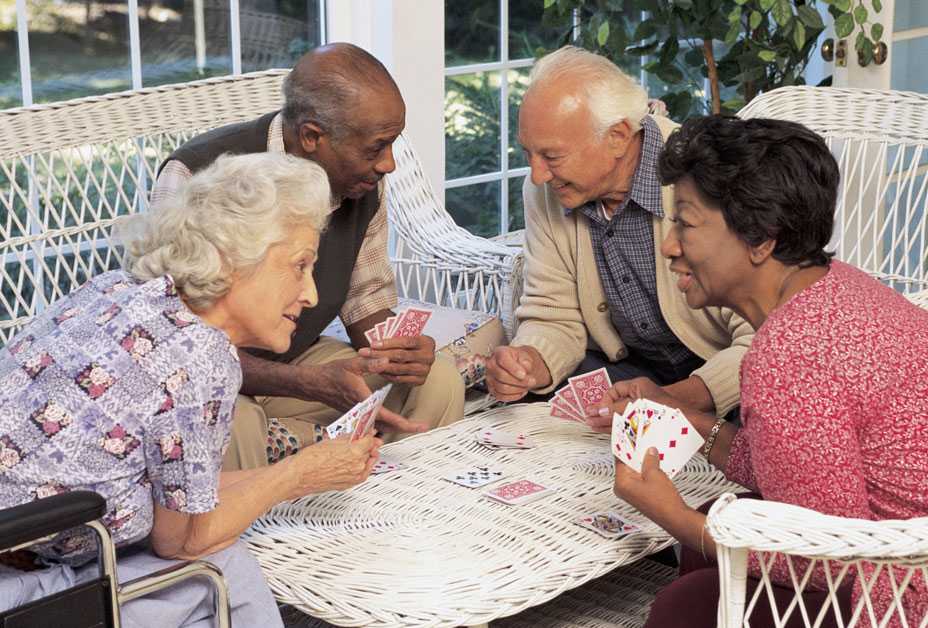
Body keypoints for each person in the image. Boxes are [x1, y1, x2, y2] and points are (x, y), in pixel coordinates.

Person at [0, 153, 382, 626]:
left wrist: (314, 466)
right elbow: (181, 538)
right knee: (225, 565)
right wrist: (298, 476)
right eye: (299, 266)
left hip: (26, 544)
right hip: (24, 588)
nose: (311, 294)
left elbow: (182, 494)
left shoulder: (118, 290)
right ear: (233, 258)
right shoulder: (200, 355)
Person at [600, 115, 928, 627]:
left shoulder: (789, 357)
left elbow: (822, 563)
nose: (668, 245)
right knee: (715, 534)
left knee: (679, 609)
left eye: (685, 222)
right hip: (897, 548)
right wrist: (688, 418)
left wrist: (672, 515)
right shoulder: (836, 285)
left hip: (901, 593)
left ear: (761, 239)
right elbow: (799, 470)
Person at [151, 42, 465, 471]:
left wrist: (399, 352)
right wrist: (307, 384)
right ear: (312, 137)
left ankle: (399, 517)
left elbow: (366, 300)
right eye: (376, 148)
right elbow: (174, 344)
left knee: (436, 379)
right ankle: (246, 536)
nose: (388, 164)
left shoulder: (362, 182)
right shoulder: (194, 177)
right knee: (232, 421)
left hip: (297, 362)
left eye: (392, 145)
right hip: (207, 379)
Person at [485, 45, 752, 420]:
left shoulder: (709, 177)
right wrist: (528, 362)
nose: (537, 175)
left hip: (720, 372)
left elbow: (764, 335)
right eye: (528, 153)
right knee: (540, 406)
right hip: (628, 371)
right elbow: (552, 314)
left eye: (552, 156)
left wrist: (677, 399)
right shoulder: (545, 190)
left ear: (618, 136)